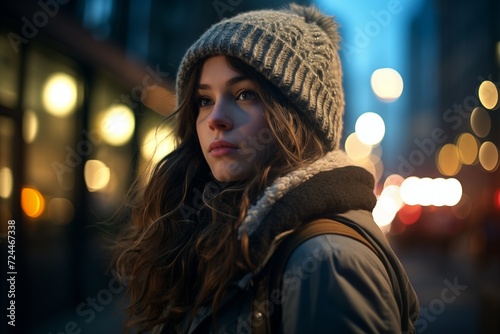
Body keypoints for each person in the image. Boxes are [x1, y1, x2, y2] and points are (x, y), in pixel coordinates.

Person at [113, 3, 419, 333]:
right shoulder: (208, 233)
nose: (215, 119)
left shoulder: (327, 260)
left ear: (300, 116)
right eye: (204, 100)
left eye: (245, 94)